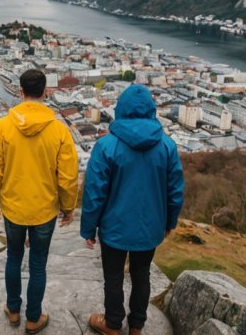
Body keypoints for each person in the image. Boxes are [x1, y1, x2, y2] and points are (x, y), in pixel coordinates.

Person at [80, 84, 184, 335]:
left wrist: (88, 228)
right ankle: (137, 325)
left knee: (113, 277)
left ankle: (113, 323)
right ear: (151, 110)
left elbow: (94, 192)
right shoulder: (167, 146)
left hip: (114, 225)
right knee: (141, 274)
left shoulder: (106, 146)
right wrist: (170, 221)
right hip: (150, 226)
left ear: (121, 109)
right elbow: (175, 191)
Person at [0, 69, 79, 334]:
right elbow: (68, 176)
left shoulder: (3, 127)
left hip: (13, 208)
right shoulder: (59, 129)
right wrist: (68, 207)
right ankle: (33, 317)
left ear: (20, 92)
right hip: (44, 209)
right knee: (38, 264)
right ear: (45, 92)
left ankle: (13, 309)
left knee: (13, 258)